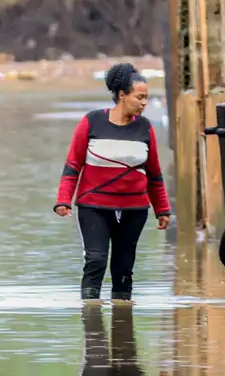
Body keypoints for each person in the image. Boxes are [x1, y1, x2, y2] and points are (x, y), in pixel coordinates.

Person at [54, 62, 171, 301]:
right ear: (122, 95)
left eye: (147, 98)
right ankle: (92, 323)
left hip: (134, 209)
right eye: (140, 97)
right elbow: (73, 165)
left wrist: (162, 210)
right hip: (94, 206)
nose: (145, 103)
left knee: (124, 266)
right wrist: (63, 200)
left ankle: (122, 325)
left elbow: (154, 174)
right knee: (95, 260)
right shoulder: (92, 122)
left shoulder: (145, 127)